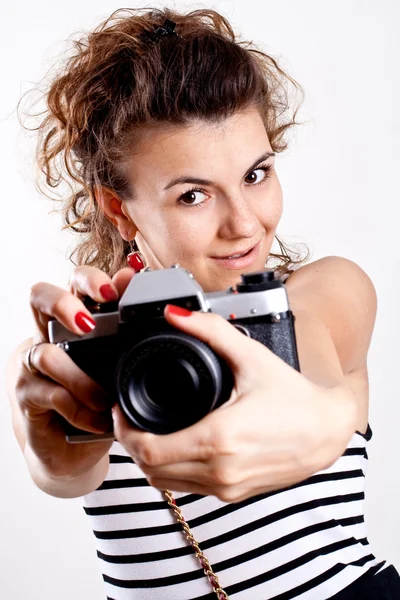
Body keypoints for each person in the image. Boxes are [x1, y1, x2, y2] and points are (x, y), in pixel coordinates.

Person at [6, 6, 400, 600]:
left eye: (256, 174)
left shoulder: (322, 292)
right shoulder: (77, 347)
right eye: (193, 195)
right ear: (119, 208)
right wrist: (55, 436)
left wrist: (323, 428)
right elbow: (64, 475)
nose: (244, 224)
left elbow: (321, 404)